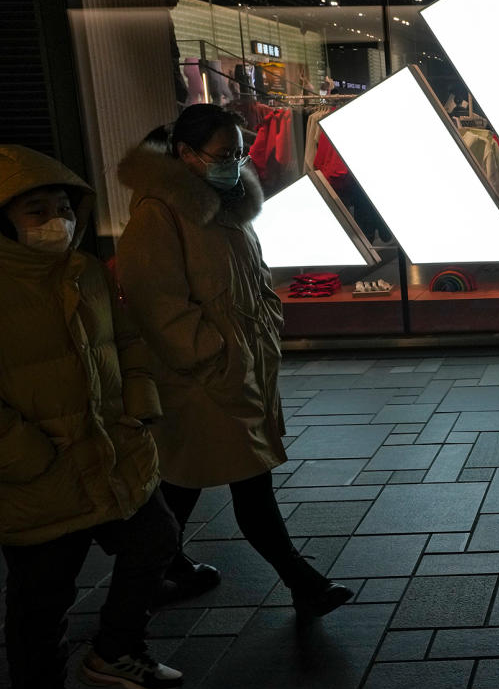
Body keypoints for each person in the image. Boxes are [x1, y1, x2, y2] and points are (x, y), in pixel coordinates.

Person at [115, 104, 353, 619]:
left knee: (183, 477)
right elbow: (157, 303)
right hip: (203, 377)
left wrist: (264, 326)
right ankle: (301, 580)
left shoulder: (227, 204)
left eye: (241, 153)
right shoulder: (160, 212)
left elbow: (252, 275)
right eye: (224, 154)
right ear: (186, 154)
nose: (237, 163)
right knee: (249, 477)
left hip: (240, 367)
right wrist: (211, 354)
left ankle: (159, 567)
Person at [1, 144, 183, 689]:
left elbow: (125, 341)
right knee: (42, 600)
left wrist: (140, 403)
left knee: (155, 540)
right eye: (37, 211)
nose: (58, 222)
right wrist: (22, 454)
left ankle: (116, 650)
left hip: (111, 451)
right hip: (40, 476)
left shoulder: (84, 271)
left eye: (64, 207)